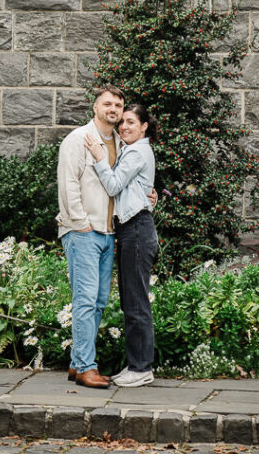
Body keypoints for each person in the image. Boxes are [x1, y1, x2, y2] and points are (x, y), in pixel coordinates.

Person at [84, 102, 158, 389]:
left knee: (136, 300)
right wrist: (151, 198)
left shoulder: (138, 150)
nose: (125, 126)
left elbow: (114, 185)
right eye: (122, 122)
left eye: (131, 122)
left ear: (144, 127)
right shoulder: (134, 150)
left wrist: (98, 157)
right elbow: (138, 189)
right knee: (131, 299)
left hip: (137, 230)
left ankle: (141, 368)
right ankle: (135, 364)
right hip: (131, 229)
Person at [56, 83, 124, 389]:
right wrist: (80, 223)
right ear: (95, 107)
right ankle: (86, 367)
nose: (113, 110)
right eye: (107, 104)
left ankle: (76, 364)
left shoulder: (119, 143)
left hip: (108, 233)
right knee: (84, 300)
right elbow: (68, 183)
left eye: (118, 106)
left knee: (97, 302)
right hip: (83, 232)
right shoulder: (78, 140)